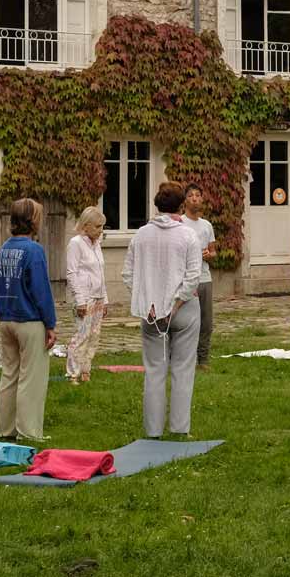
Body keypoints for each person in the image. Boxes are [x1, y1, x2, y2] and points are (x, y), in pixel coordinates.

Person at [122, 181, 202, 437]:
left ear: (156, 205)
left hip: (151, 311)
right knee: (183, 369)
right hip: (184, 308)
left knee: (154, 370)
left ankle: (153, 430)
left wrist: (149, 302)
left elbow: (128, 275)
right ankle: (180, 428)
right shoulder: (188, 235)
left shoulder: (140, 234)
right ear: (181, 205)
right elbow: (193, 277)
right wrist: (176, 304)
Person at [0, 198, 56, 442]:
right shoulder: (34, 251)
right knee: (32, 378)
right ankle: (29, 433)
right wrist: (50, 324)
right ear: (32, 220)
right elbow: (41, 291)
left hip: (6, 319)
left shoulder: (3, 249)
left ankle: (4, 429)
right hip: (29, 321)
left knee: (9, 375)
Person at [65, 206, 108, 384]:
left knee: (94, 335)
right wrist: (80, 300)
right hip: (85, 297)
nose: (100, 230)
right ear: (86, 225)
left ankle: (85, 371)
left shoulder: (96, 244)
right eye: (97, 227)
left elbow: (101, 272)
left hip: (98, 296)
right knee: (82, 335)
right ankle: (72, 373)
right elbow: (71, 273)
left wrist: (105, 299)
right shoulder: (76, 243)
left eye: (101, 227)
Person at [181, 184, 217, 371]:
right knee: (187, 320)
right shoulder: (179, 223)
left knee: (206, 321)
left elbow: (213, 251)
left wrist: (208, 255)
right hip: (185, 279)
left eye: (198, 195)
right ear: (185, 200)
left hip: (204, 278)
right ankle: (185, 358)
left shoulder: (206, 225)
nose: (195, 198)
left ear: (202, 199)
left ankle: (203, 359)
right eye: (191, 195)